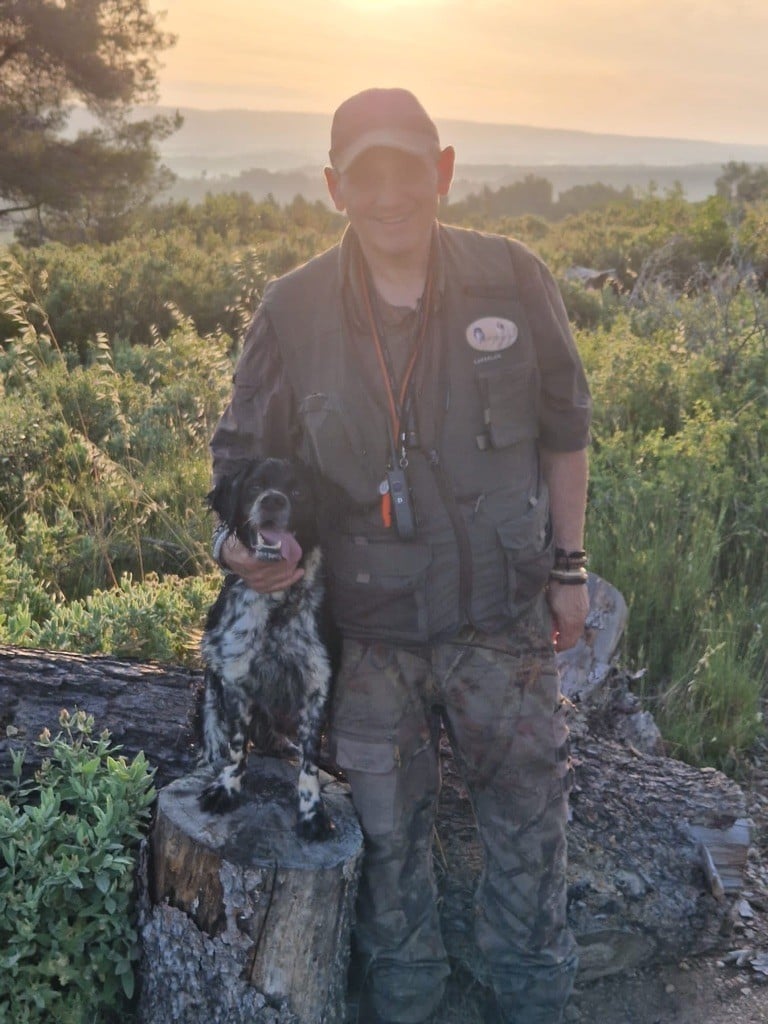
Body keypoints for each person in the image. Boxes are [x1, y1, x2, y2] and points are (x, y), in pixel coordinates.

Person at [210, 87, 591, 1024]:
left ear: (445, 171)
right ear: (335, 186)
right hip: (369, 638)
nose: (390, 195)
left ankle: (531, 1002)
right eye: (366, 174)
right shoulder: (292, 308)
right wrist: (235, 547)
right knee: (386, 853)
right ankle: (409, 1007)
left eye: (408, 170)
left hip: (503, 621)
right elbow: (240, 456)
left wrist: (571, 566)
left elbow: (565, 429)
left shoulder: (511, 275)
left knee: (530, 841)